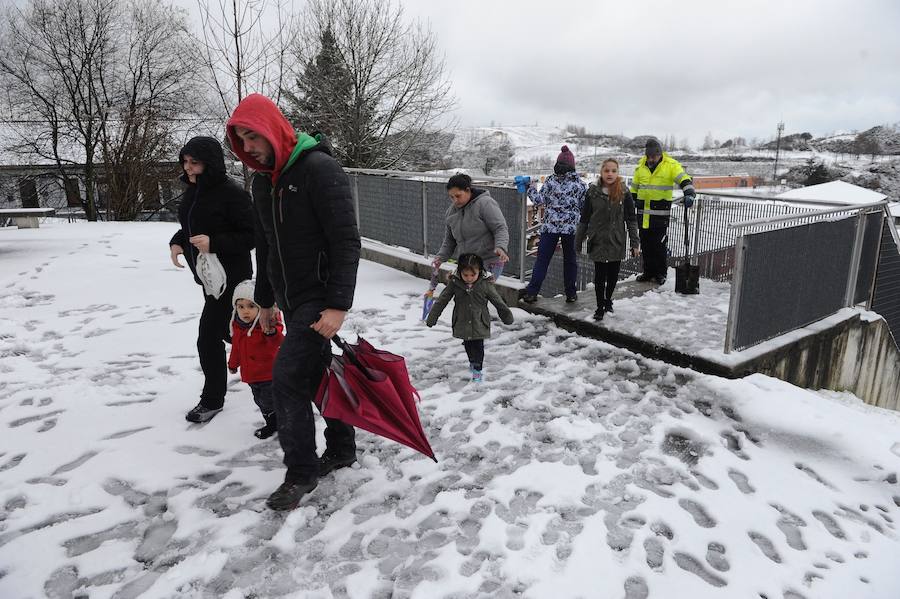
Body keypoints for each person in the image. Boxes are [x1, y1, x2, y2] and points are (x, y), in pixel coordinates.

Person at [226, 93, 361, 511]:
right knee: (317, 373)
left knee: (286, 376)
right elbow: (265, 246)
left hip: (319, 297)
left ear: (274, 129)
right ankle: (341, 447)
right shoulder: (264, 183)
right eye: (241, 139)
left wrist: (337, 306)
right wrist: (266, 302)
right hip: (289, 296)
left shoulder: (320, 169)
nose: (248, 147)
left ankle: (301, 473)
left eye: (253, 136)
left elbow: (346, 241)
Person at [168, 136, 255, 424]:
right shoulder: (194, 191)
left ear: (211, 164)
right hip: (209, 280)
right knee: (237, 334)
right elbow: (192, 225)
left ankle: (213, 400)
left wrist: (215, 243)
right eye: (185, 161)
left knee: (209, 338)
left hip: (232, 281)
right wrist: (178, 242)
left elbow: (252, 235)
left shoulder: (232, 193)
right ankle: (277, 378)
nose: (188, 168)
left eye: (195, 163)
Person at [425, 253, 514, 382]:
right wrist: (432, 317)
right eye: (465, 275)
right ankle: (472, 362)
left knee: (478, 346)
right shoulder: (454, 283)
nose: (469, 278)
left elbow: (497, 301)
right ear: (459, 272)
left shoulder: (485, 284)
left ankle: (477, 370)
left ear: (479, 272)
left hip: (480, 321)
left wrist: (506, 315)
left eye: (473, 275)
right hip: (462, 321)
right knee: (468, 344)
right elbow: (442, 300)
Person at [521, 145, 587, 303]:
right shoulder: (579, 184)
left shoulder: (551, 180)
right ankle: (571, 293)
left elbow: (538, 201)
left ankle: (532, 292)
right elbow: (585, 207)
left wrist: (529, 188)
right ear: (573, 166)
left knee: (542, 260)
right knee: (570, 261)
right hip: (571, 229)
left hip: (550, 227)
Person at [575, 159, 640, 321]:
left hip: (616, 240)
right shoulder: (592, 192)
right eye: (607, 171)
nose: (610, 174)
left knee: (612, 275)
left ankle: (608, 300)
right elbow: (584, 219)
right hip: (597, 240)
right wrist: (578, 241)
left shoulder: (624, 192)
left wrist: (635, 243)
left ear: (617, 173)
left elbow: (631, 220)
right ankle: (599, 307)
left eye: (613, 171)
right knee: (599, 276)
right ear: (601, 173)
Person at [630, 137, 695, 285]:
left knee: (659, 246)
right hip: (643, 215)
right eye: (649, 156)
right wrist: (630, 201)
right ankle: (648, 272)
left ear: (660, 154)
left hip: (660, 216)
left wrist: (690, 194)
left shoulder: (670, 166)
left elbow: (684, 179)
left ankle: (660, 273)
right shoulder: (640, 167)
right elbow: (634, 189)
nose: (651, 159)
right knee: (646, 246)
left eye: (654, 156)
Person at [227, 279, 284, 439]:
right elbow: (236, 348)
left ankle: (275, 424)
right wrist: (233, 364)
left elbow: (279, 341)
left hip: (268, 374)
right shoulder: (238, 326)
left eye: (251, 306)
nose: (245, 311)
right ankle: (275, 420)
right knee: (260, 401)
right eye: (241, 307)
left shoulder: (267, 324)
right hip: (251, 375)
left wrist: (271, 332)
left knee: (268, 402)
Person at [433, 173, 510, 280]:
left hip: (488, 261)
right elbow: (449, 240)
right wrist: (440, 257)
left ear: (468, 190)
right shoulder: (451, 212)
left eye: (458, 196)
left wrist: (500, 247)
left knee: (478, 294)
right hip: (467, 263)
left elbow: (500, 228)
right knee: (464, 294)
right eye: (451, 197)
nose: (455, 200)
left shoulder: (485, 204)